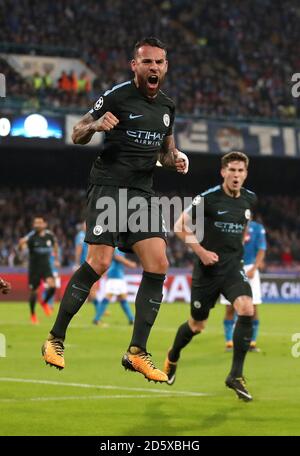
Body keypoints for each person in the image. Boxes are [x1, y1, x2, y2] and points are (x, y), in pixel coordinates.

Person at [42, 37, 189, 382]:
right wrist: (95, 125)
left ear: (166, 67)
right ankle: (54, 339)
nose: (154, 68)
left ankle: (136, 352)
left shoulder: (167, 107)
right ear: (134, 65)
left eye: (160, 62)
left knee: (158, 263)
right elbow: (77, 132)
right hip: (109, 187)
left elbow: (165, 151)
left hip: (142, 192)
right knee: (100, 262)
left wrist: (176, 159)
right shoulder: (117, 96)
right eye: (147, 62)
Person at [164, 151, 256, 401]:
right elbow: (180, 226)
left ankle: (235, 375)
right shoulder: (209, 198)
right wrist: (201, 251)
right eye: (232, 170)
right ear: (223, 172)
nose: (236, 175)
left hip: (233, 269)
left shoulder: (249, 199)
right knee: (197, 325)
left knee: (246, 308)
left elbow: (243, 228)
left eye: (240, 171)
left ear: (246, 174)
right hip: (207, 272)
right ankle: (173, 355)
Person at [221, 218, 267, 352]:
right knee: (229, 307)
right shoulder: (229, 226)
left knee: (253, 307)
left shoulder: (257, 228)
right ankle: (229, 342)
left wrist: (254, 268)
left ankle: (252, 342)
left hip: (250, 267)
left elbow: (261, 249)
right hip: (232, 267)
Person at [19, 217, 59, 324]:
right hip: (34, 268)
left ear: (44, 224)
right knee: (34, 293)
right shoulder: (31, 237)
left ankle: (44, 303)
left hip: (46, 267)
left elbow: (55, 245)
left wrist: (56, 259)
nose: (37, 224)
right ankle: (33, 315)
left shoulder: (49, 236)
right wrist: (20, 244)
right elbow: (21, 248)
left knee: (53, 286)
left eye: (39, 223)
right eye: (36, 223)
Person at [93, 247, 136, 326]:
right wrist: (130, 263)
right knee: (108, 297)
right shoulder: (116, 247)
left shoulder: (118, 246)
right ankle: (96, 319)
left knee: (123, 298)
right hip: (115, 276)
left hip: (118, 276)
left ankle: (131, 319)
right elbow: (117, 257)